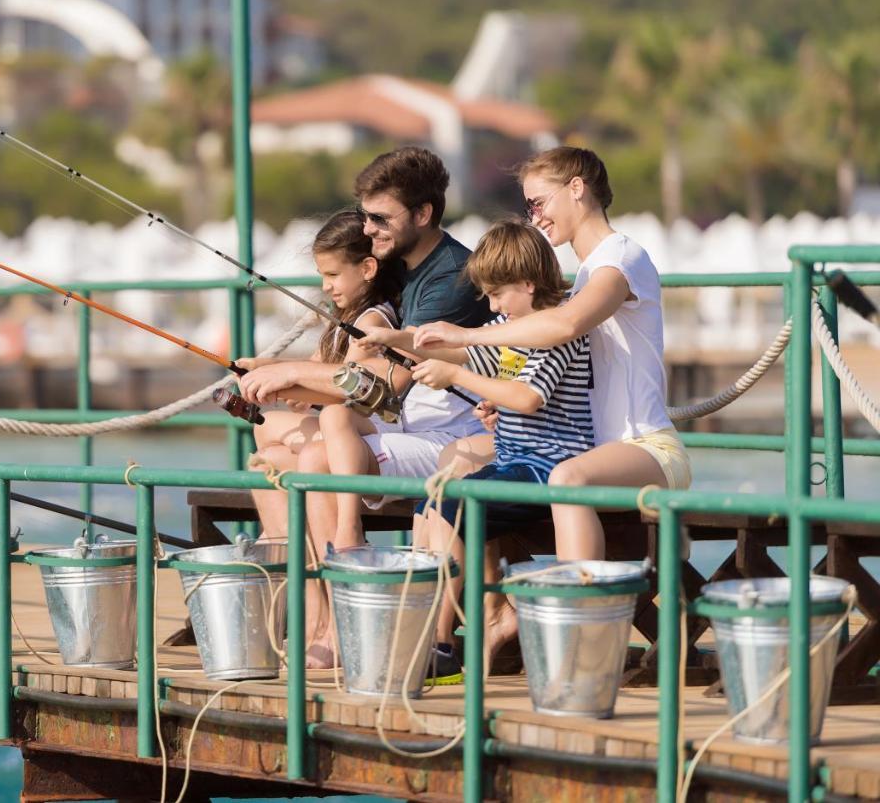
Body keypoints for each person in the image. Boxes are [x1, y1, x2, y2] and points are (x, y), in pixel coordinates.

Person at [239, 146, 493, 666]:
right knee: (269, 459)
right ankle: (317, 617)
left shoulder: (451, 278)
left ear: (423, 214)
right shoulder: (401, 265)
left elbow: (385, 384)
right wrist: (276, 373)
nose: (368, 227)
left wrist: (288, 373)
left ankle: (336, 626)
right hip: (413, 429)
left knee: (312, 455)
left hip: (455, 438)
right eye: (366, 215)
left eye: (380, 218)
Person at [409, 146, 692, 566]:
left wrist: (465, 336)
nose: (534, 217)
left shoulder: (620, 260)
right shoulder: (584, 276)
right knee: (454, 462)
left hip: (645, 447)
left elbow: (563, 327)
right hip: (588, 447)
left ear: (576, 188)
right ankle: (480, 612)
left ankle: (577, 616)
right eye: (528, 208)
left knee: (566, 478)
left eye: (538, 203)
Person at [367, 219, 595, 669]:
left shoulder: (554, 334)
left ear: (528, 284)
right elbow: (463, 351)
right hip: (514, 459)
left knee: (455, 507)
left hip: (548, 464)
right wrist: (396, 340)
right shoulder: (508, 327)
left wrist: (459, 378)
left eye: (497, 294)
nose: (491, 307)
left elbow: (528, 397)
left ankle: (440, 640)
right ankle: (434, 626)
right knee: (429, 503)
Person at [239, 209, 405, 540]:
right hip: (346, 425)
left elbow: (348, 391)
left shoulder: (371, 322)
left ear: (368, 268)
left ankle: (289, 548)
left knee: (280, 432)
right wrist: (266, 371)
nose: (325, 286)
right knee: (266, 456)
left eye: (332, 275)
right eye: (321, 275)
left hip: (372, 427)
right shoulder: (343, 319)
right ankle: (286, 547)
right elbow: (317, 370)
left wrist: (290, 386)